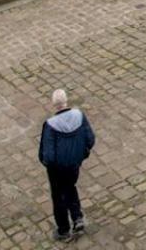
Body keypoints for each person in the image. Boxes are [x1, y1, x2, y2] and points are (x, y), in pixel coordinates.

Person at [37, 87, 95, 241]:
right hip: (74, 164)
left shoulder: (50, 125)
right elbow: (90, 139)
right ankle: (77, 218)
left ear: (53, 104)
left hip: (57, 169)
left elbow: (48, 155)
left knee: (58, 197)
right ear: (66, 100)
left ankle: (63, 230)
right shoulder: (79, 115)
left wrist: (48, 164)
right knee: (71, 187)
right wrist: (81, 154)